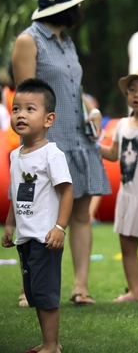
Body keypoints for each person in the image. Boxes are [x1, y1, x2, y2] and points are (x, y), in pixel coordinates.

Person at [11, 0, 111, 306]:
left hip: (79, 139)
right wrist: (35, 144)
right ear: (64, 7)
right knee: (37, 214)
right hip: (48, 143)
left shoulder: (66, 41)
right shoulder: (28, 40)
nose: (80, 8)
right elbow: (27, 97)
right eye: (76, 3)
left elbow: (73, 86)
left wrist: (91, 109)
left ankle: (80, 288)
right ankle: (30, 289)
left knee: (81, 214)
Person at [2, 78, 74, 353]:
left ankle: (51, 345)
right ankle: (49, 342)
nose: (21, 114)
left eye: (30, 109)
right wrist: (10, 225)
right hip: (26, 237)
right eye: (16, 108)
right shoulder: (14, 156)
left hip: (46, 237)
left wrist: (59, 227)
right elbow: (16, 193)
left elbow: (67, 192)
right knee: (34, 292)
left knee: (46, 294)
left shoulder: (51, 154)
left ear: (48, 119)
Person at [99, 67, 138, 302]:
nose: (136, 95)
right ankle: (134, 291)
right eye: (132, 90)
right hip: (127, 194)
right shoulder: (122, 125)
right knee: (127, 244)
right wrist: (94, 146)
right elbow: (114, 153)